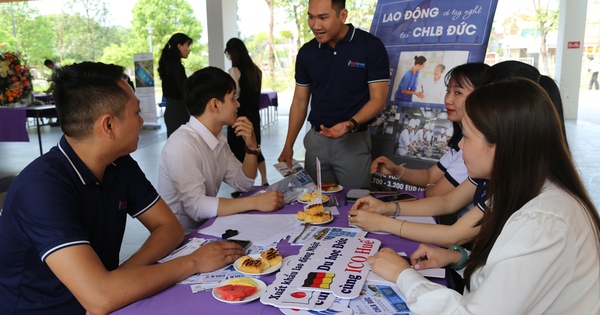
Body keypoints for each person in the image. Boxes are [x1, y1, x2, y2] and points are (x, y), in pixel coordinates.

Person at [0, 62, 246, 314]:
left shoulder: (119, 164)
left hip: (108, 300)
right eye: (136, 113)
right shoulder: (41, 188)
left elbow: (169, 229)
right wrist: (194, 261)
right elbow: (99, 297)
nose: (142, 122)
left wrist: (119, 278)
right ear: (108, 126)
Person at [367, 78, 600, 314]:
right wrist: (459, 259)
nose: (462, 148)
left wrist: (402, 276)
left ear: (500, 144)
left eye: (466, 136)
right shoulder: (520, 189)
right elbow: (509, 277)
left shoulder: (543, 221)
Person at [157, 67, 284, 235]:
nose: (238, 104)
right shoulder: (182, 145)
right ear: (215, 104)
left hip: (209, 227)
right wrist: (255, 202)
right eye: (233, 98)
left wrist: (252, 148)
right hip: (182, 240)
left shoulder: (217, 138)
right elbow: (197, 207)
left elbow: (243, 183)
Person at [277, 0, 390, 189]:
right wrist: (288, 145)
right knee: (316, 204)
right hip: (316, 143)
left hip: (352, 141)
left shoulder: (370, 46)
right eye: (311, 17)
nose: (315, 25)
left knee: (356, 204)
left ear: (343, 15)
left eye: (323, 18)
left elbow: (378, 99)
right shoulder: (307, 52)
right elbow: (299, 102)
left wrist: (349, 124)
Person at [373, 63, 490, 197]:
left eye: (458, 92)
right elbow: (430, 176)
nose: (448, 100)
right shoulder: (460, 139)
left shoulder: (478, 149)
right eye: (448, 91)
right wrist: (396, 170)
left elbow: (440, 198)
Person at [224, 38, 268, 186]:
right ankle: (264, 179)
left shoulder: (234, 71)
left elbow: (234, 94)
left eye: (228, 53)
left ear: (232, 53)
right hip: (254, 114)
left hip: (239, 116)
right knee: (255, 147)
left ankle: (243, 183)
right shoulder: (256, 70)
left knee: (238, 149)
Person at [158, 33, 193, 137]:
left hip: (171, 110)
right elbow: (183, 89)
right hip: (179, 111)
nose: (189, 50)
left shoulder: (168, 65)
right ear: (179, 46)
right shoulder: (176, 67)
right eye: (187, 46)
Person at [44, 59, 61, 126]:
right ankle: (58, 120)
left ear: (49, 64)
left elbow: (57, 80)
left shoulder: (56, 68)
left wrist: (51, 79)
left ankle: (58, 120)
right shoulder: (55, 68)